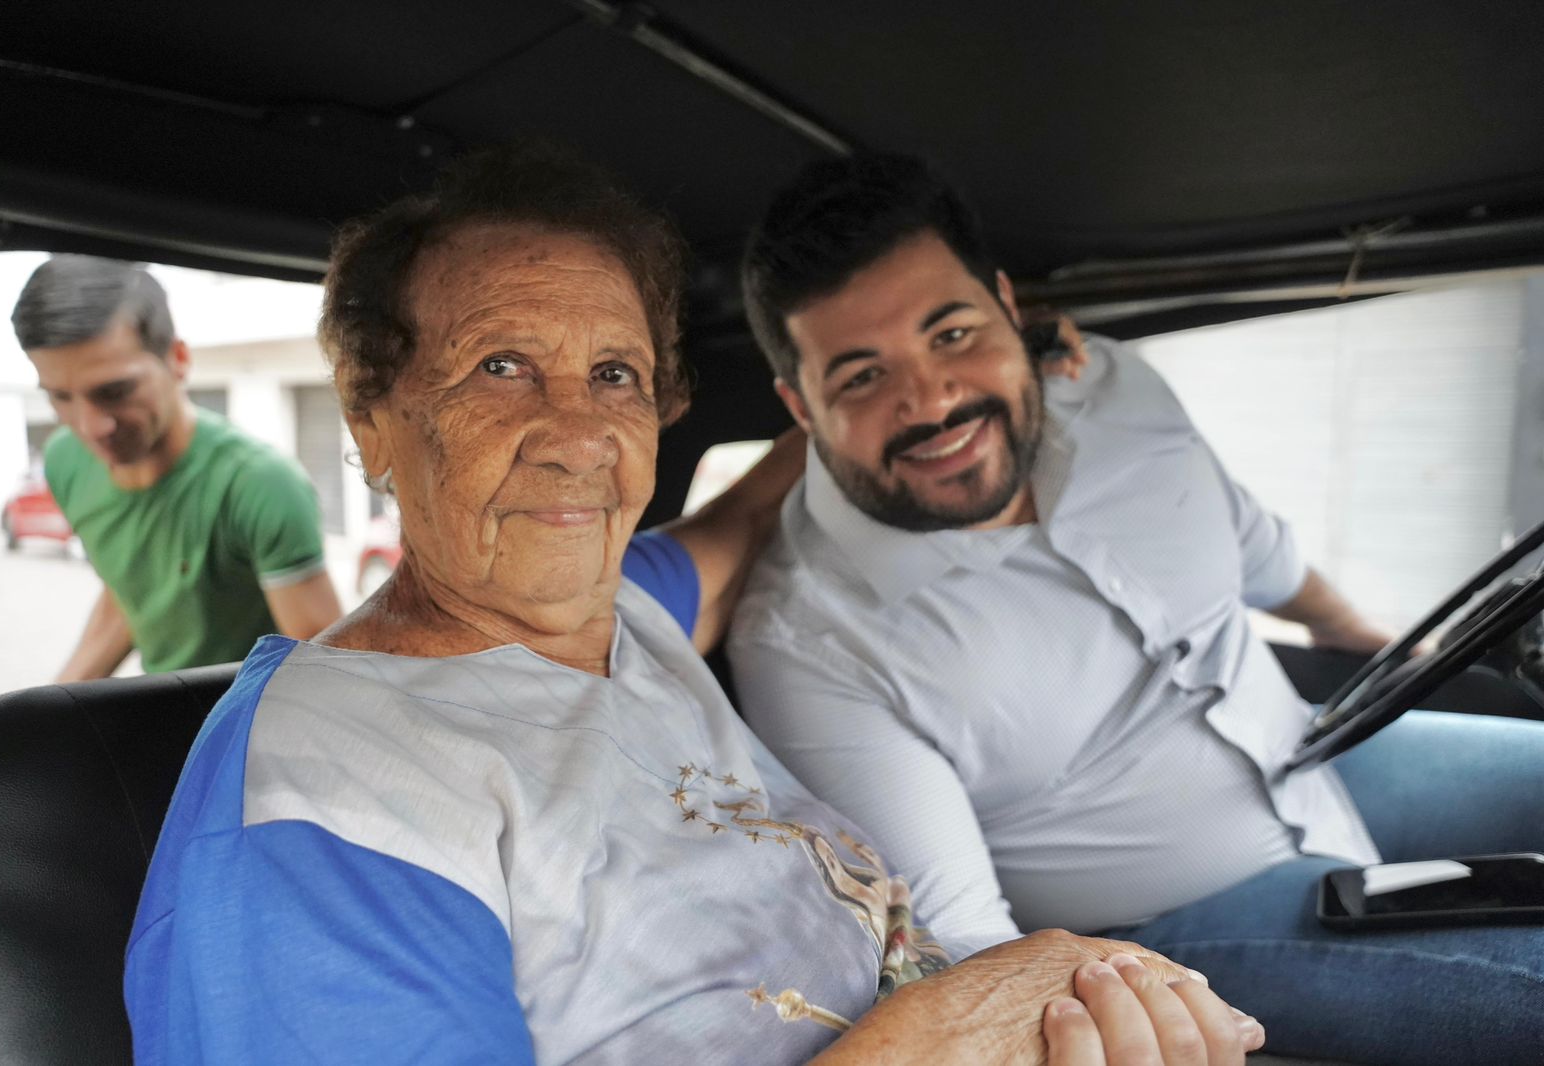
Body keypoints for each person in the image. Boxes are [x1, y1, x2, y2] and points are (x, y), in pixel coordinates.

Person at [123, 142, 1265, 1065]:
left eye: (613, 376)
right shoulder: (332, 784)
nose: (578, 436)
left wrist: (891, 407)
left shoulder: (632, 613)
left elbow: (736, 525)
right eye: (500, 367)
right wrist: (947, 1032)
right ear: (371, 418)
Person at [726, 152, 1544, 1064]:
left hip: (1322, 748)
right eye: (862, 377)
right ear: (801, 406)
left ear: (1008, 306)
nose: (934, 399)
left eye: (953, 333)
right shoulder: (807, 642)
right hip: (1177, 920)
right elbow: (968, 941)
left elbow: (1249, 541)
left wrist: (1356, 637)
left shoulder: (1111, 386)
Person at [10, 256, 344, 677]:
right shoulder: (65, 461)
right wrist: (49, 709)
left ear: (178, 359)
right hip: (157, 712)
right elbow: (130, 594)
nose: (92, 426)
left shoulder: (260, 484)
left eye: (115, 391)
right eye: (60, 397)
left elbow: (321, 670)